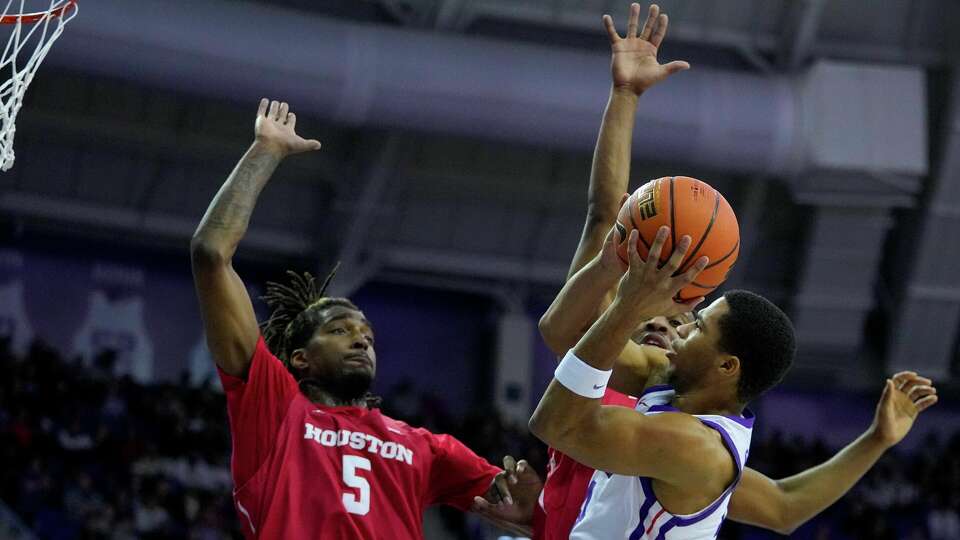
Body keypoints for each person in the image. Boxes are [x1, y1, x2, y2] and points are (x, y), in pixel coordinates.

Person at [474, 4, 940, 538]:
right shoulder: (666, 381)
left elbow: (555, 423)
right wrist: (612, 256)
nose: (681, 328)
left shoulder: (697, 449)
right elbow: (562, 328)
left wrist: (628, 304)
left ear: (726, 367)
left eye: (696, 326)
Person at [190, 99, 523, 538]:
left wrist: (529, 490)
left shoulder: (423, 446)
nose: (362, 340)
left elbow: (525, 508)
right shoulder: (274, 409)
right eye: (339, 330)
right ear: (299, 359)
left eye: (366, 334)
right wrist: (266, 150)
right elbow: (211, 254)